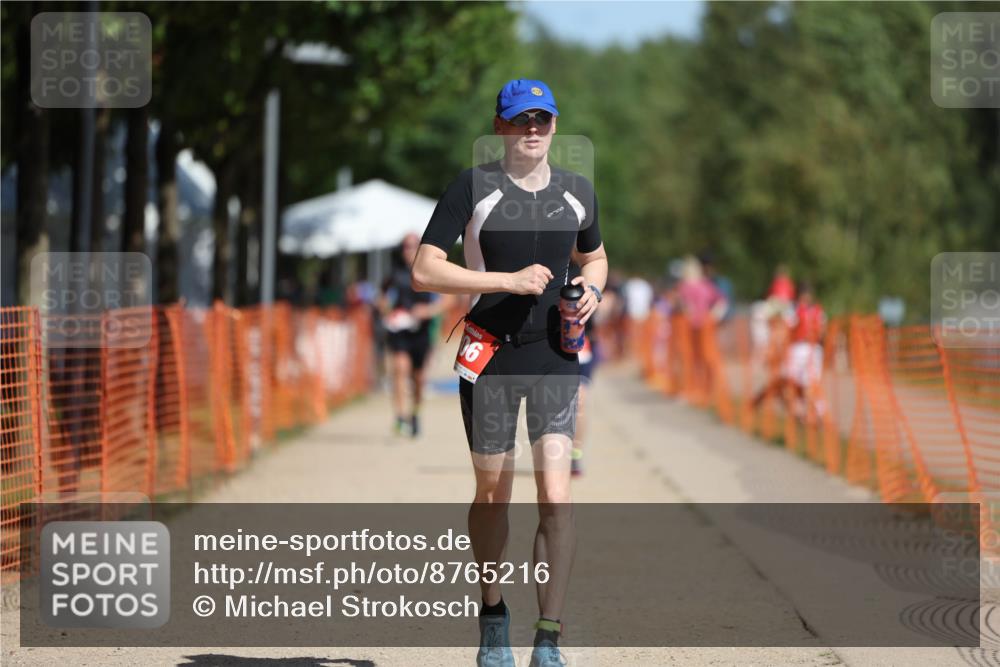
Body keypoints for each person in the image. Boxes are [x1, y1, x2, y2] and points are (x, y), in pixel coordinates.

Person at [412, 78, 607, 667]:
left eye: (543, 119)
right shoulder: (473, 187)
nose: (533, 130)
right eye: (521, 119)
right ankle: (493, 617)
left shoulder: (578, 191)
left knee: (556, 493)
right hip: (491, 354)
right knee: (494, 494)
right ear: (500, 126)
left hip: (554, 355)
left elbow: (594, 254)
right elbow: (426, 269)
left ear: (554, 126)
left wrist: (592, 289)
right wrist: (507, 281)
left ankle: (548, 638)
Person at [379, 233, 445, 437]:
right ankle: (400, 416)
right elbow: (381, 297)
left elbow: (449, 299)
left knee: (418, 378)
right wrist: (389, 313)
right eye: (406, 246)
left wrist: (428, 311)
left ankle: (415, 412)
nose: (409, 250)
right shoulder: (395, 273)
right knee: (399, 369)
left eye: (414, 245)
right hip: (400, 330)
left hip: (422, 331)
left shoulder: (431, 270)